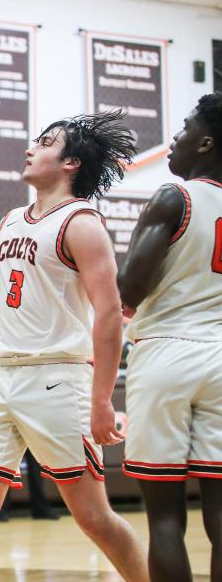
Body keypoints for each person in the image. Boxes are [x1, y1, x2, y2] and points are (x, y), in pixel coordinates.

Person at [0, 110, 148, 582]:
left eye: (44, 141)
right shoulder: (11, 219)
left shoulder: (82, 224)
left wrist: (101, 401)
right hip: (1, 378)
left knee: (94, 518)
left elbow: (111, 315)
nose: (29, 147)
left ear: (71, 161)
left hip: (57, 378)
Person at [118, 92, 222, 582]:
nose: (174, 139)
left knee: (164, 518)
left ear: (205, 142)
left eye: (183, 128)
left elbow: (130, 290)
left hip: (167, 353)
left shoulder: (173, 197)